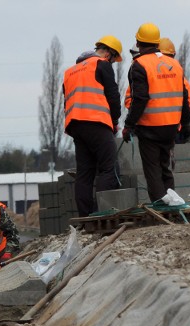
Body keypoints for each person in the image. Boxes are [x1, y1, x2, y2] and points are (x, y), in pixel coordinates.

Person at [122, 23, 190, 203]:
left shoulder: (139, 65)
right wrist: (186, 124)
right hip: (171, 127)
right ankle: (173, 203)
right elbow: (184, 97)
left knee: (152, 170)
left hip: (149, 127)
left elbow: (140, 99)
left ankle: (161, 206)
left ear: (138, 42)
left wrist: (129, 125)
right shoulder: (174, 64)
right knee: (165, 168)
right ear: (157, 42)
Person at [63, 35, 123, 217]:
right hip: (96, 122)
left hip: (75, 125)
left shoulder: (70, 72)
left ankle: (86, 216)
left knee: (84, 173)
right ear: (109, 54)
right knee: (108, 168)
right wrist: (114, 121)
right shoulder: (101, 64)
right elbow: (113, 96)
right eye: (113, 59)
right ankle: (103, 213)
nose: (112, 63)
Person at [158, 37, 190, 143]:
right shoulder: (182, 79)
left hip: (155, 128)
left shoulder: (151, 77)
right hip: (175, 129)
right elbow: (188, 105)